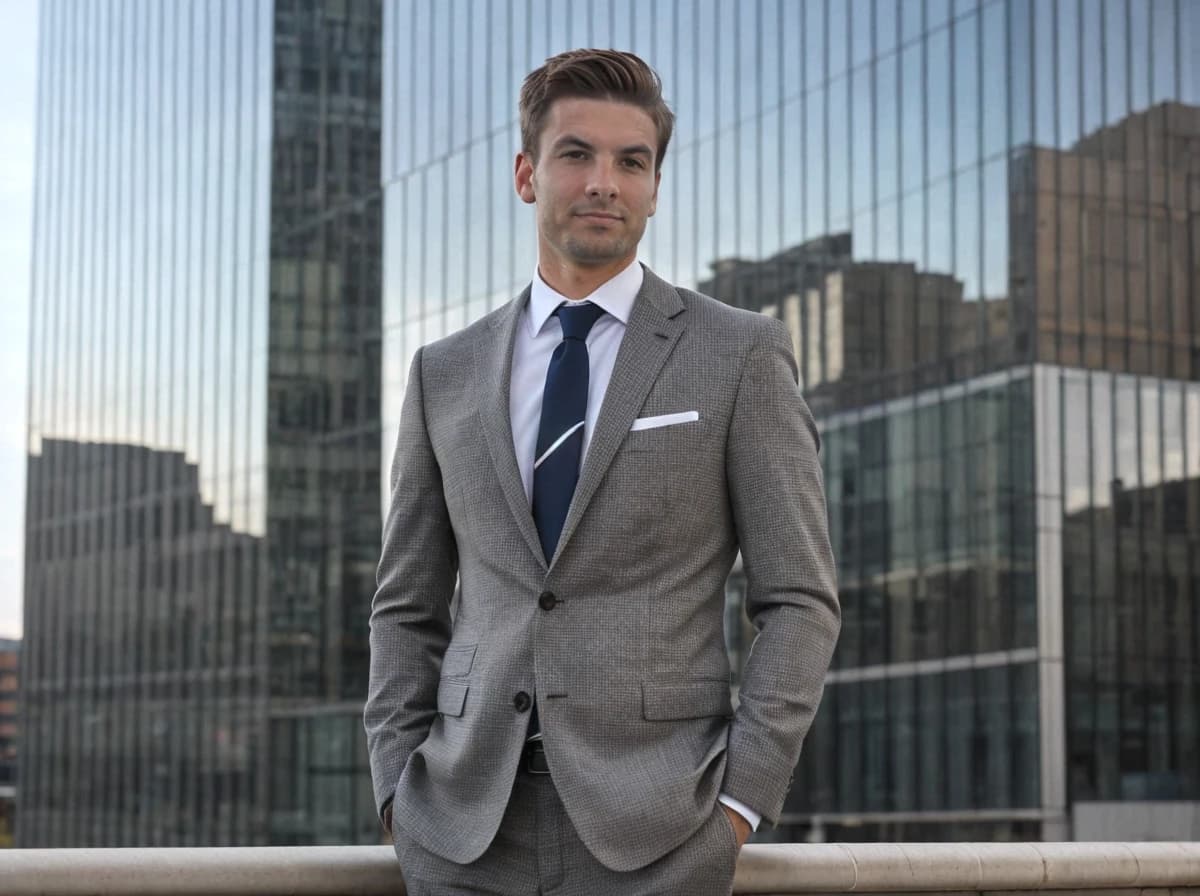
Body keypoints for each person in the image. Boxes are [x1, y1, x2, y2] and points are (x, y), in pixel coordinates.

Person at [364, 48, 840, 895]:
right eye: (575, 154)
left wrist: (740, 804)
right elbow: (406, 602)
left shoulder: (739, 353)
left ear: (655, 186)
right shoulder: (445, 371)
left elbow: (799, 598)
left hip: (664, 829)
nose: (604, 183)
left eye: (632, 161)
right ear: (526, 174)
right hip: (462, 830)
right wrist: (399, 789)